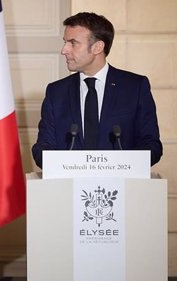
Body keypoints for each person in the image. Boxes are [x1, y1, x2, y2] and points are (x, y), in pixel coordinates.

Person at [31, 12, 162, 168]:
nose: (64, 50)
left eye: (72, 43)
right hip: (68, 187)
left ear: (98, 47)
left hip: (120, 187)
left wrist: (118, 167)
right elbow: (43, 147)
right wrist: (67, 167)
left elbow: (151, 145)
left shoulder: (135, 87)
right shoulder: (56, 92)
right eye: (65, 42)